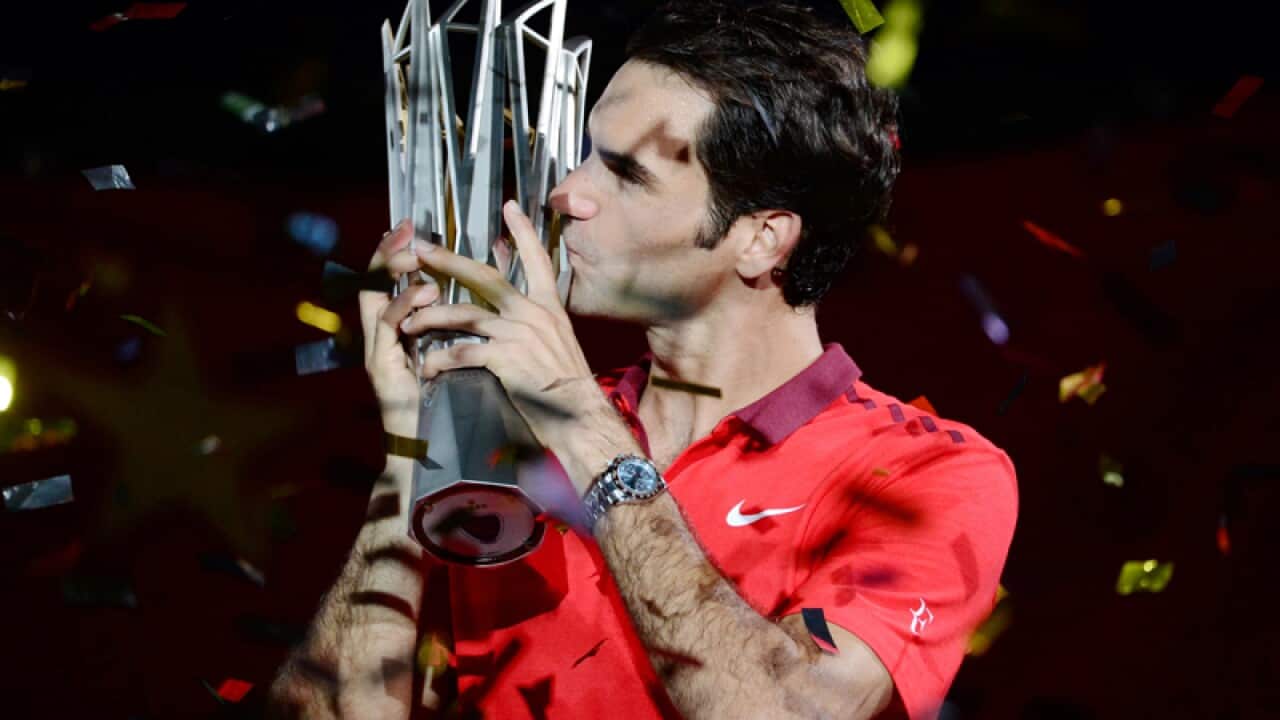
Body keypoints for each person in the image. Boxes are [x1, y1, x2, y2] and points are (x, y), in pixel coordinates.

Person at [267, 2, 1017, 718]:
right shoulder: (504, 431)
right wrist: (413, 450)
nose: (567, 193)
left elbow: (787, 710)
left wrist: (588, 433)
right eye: (586, 153)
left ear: (762, 239)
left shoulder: (929, 476)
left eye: (625, 175)